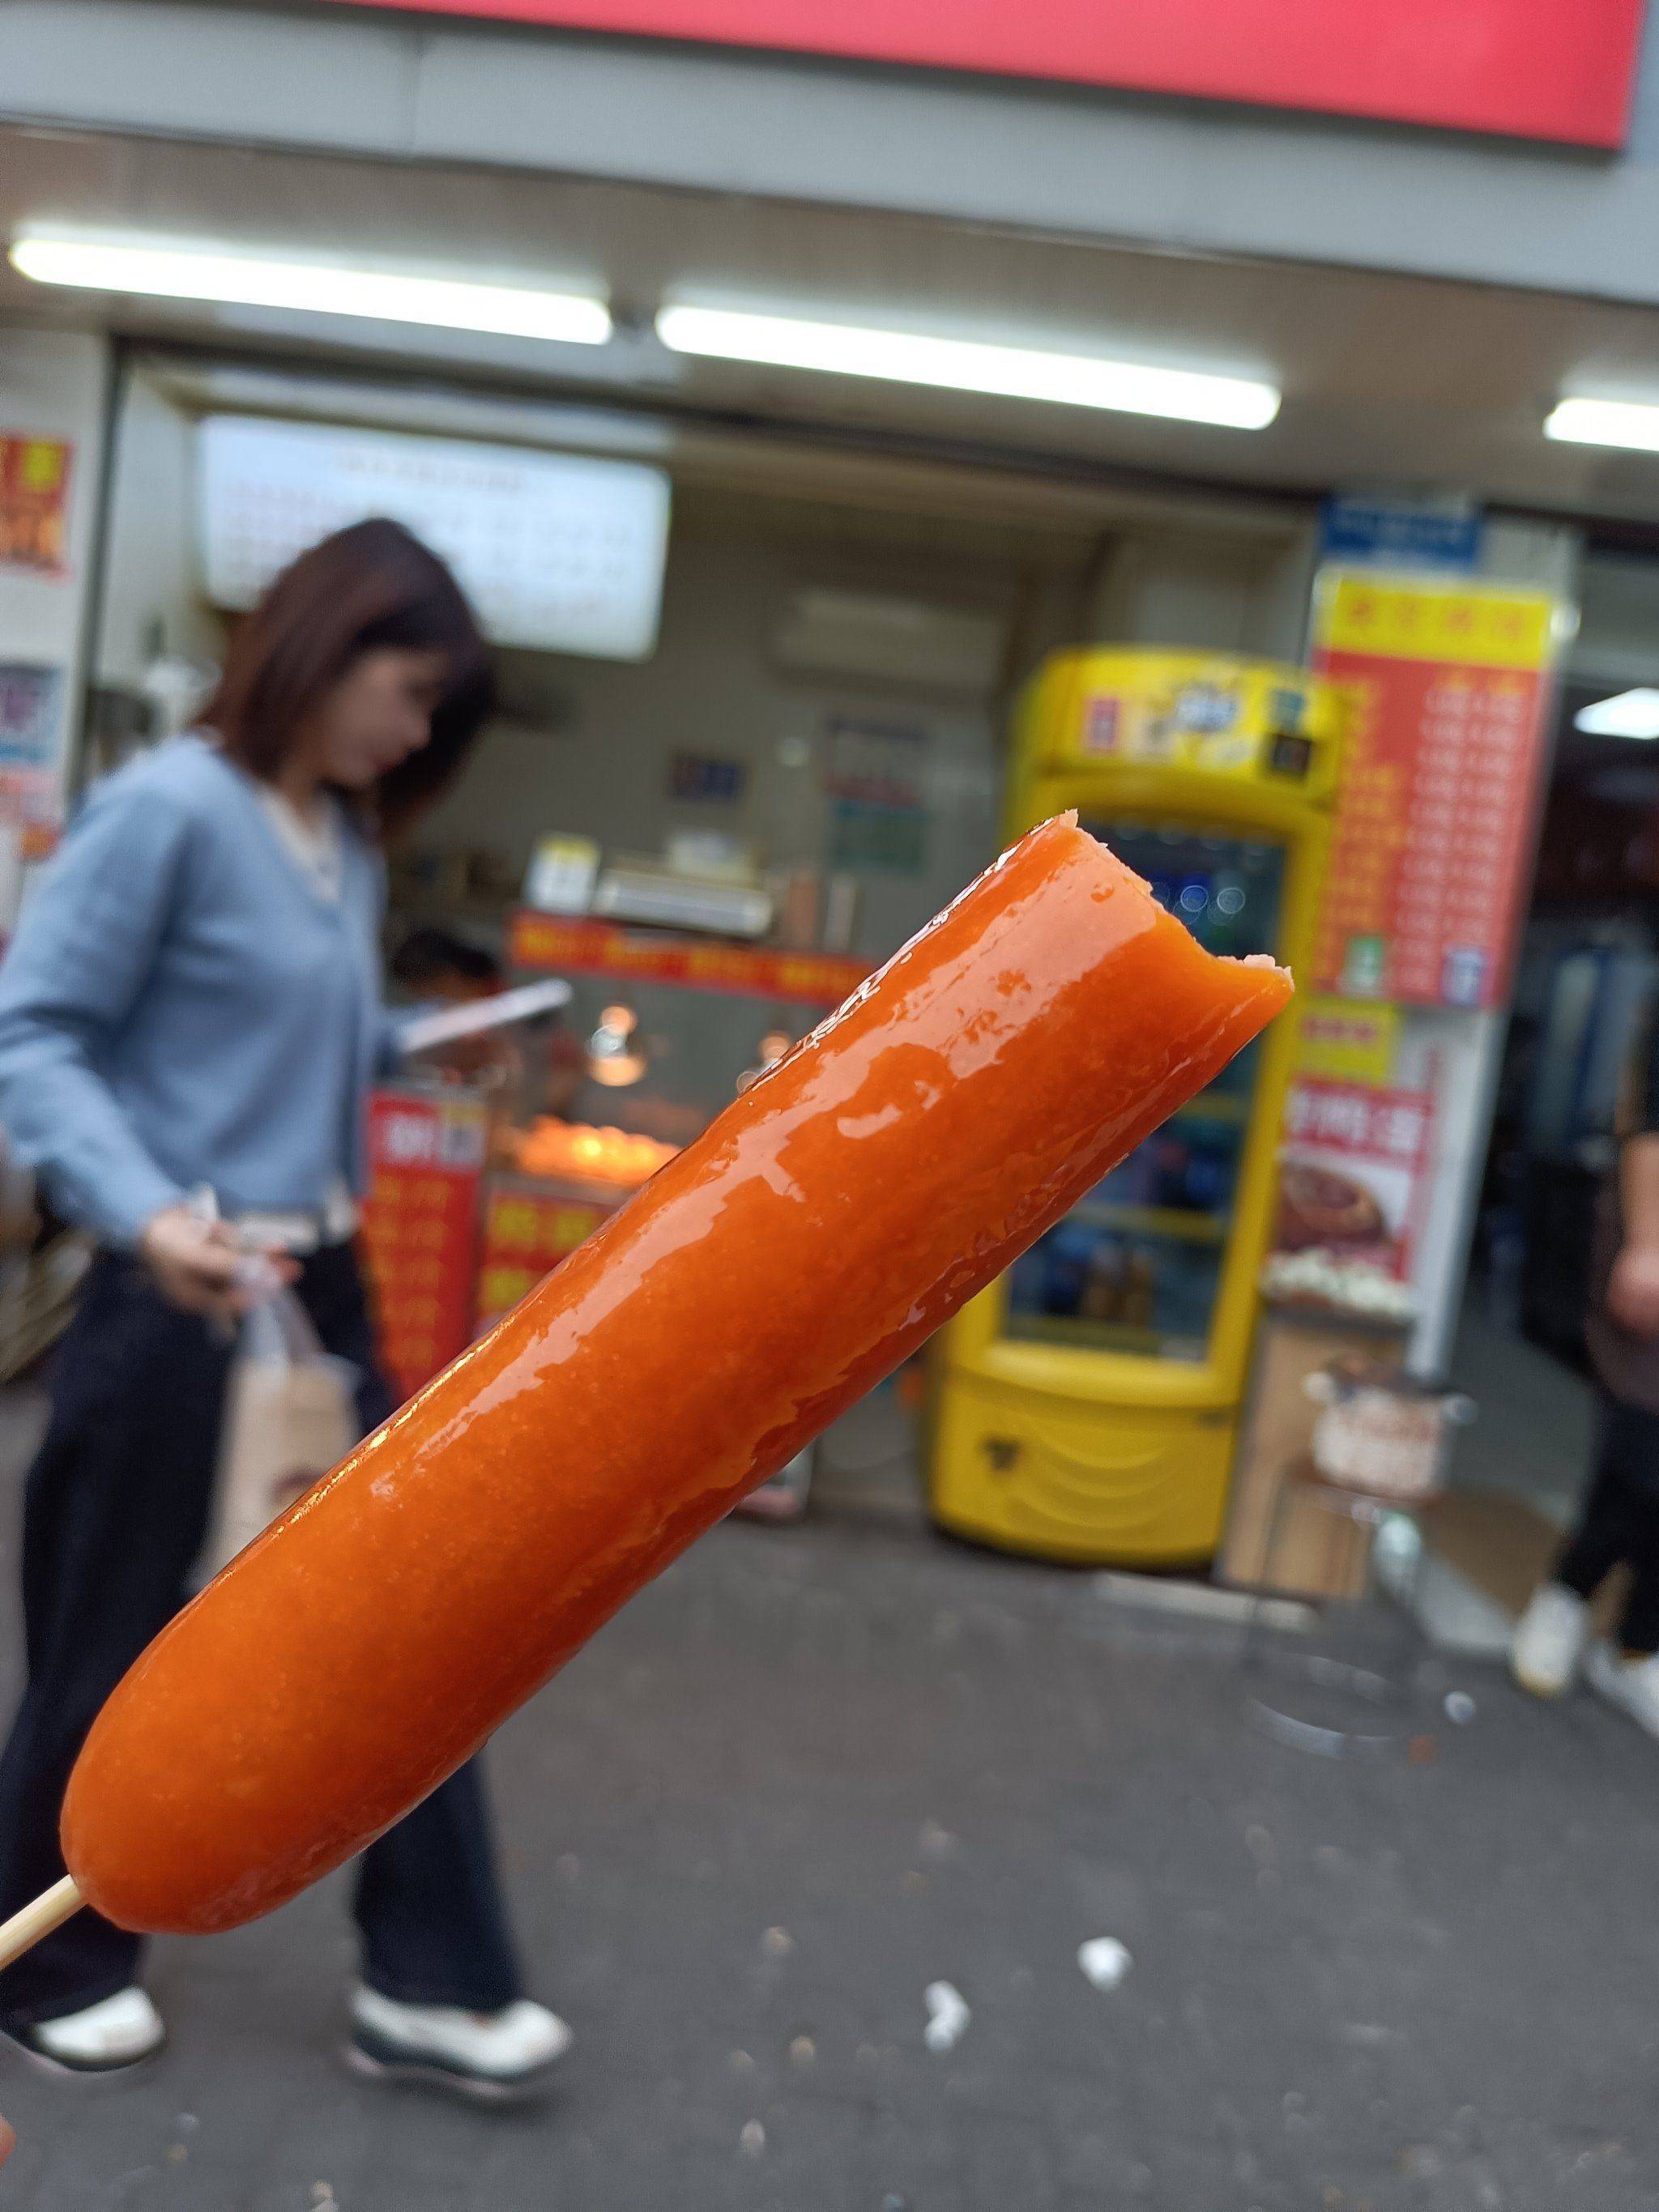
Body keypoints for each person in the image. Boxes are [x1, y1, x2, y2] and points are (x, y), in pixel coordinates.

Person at [0, 519, 569, 2095]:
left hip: (317, 1284)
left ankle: (432, 1976)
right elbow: (34, 1032)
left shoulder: (341, 834)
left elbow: (274, 1032)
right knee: (106, 1639)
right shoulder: (170, 807)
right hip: (174, 1280)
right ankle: (45, 1961)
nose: (415, 734)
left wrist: (411, 1043)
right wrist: (144, 1210)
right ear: (322, 646)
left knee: (403, 1627)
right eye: (408, 692)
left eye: (435, 712)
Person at [1512, 995, 1659, 1732]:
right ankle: (1567, 1596)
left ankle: (1637, 1647)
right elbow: (1651, 1122)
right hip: (1654, 1238)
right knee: (1642, 1452)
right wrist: (1650, 1242)